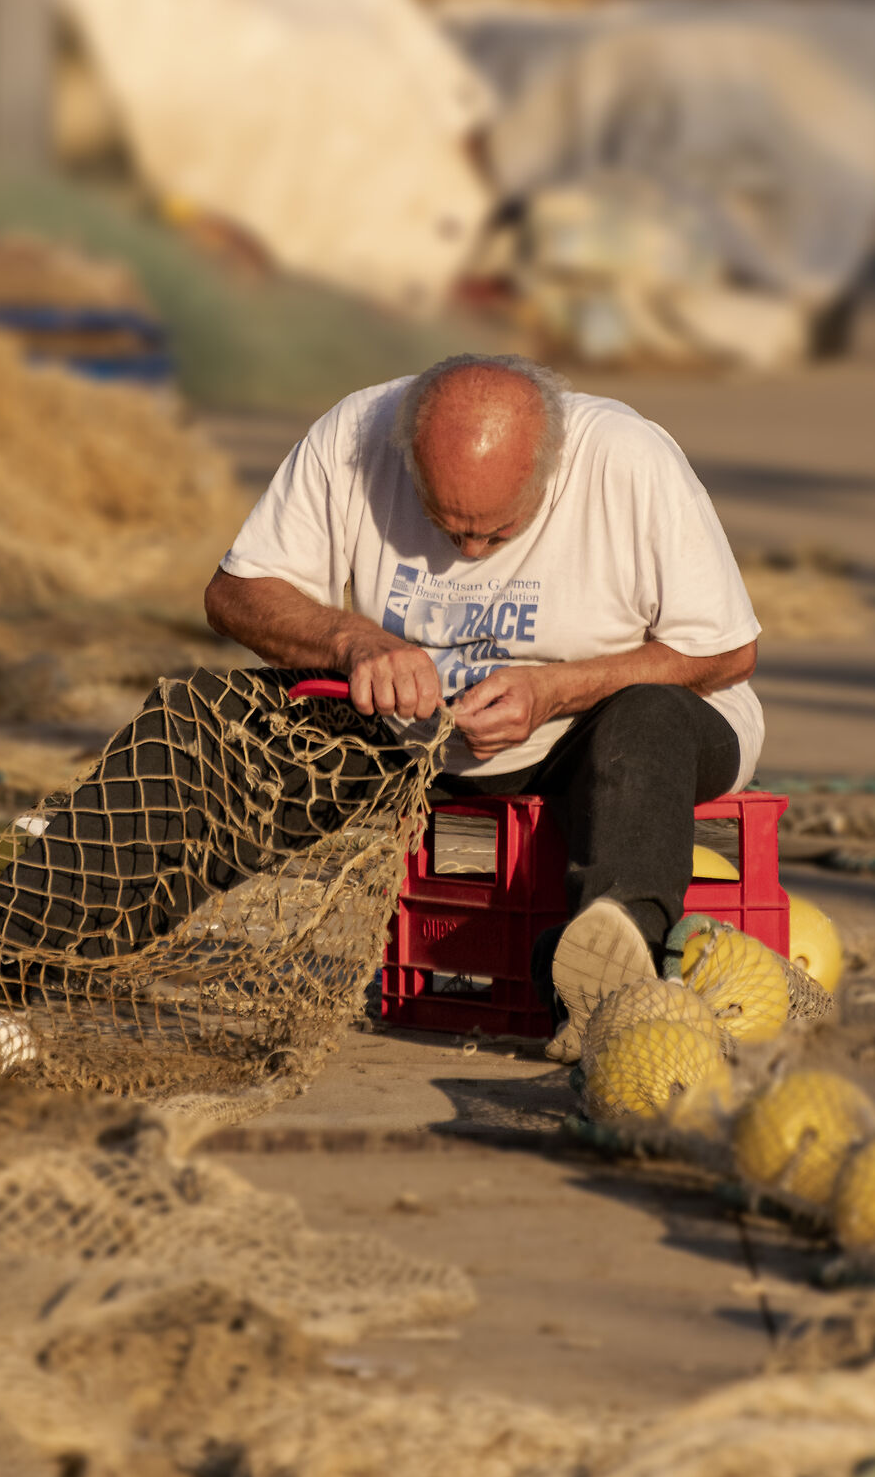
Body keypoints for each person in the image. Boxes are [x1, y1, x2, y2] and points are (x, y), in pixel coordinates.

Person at [205, 353, 761, 1058]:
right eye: (444, 524)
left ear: (550, 467)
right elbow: (235, 594)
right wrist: (356, 641)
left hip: (617, 721)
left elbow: (725, 653)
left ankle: (617, 960)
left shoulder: (627, 458)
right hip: (421, 737)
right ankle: (80, 928)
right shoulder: (355, 433)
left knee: (643, 721)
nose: (469, 551)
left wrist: (554, 689)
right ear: (408, 456)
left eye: (497, 532)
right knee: (225, 722)